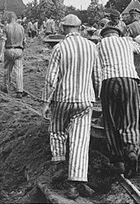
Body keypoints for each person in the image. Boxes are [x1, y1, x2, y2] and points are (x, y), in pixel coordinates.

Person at [42, 14, 101, 199]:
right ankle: (75, 185)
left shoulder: (59, 48)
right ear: (80, 27)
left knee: (57, 130)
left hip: (62, 99)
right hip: (84, 100)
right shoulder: (92, 47)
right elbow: (98, 75)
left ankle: (59, 164)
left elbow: (51, 79)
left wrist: (45, 102)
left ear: (63, 28)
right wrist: (97, 96)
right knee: (80, 141)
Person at [97, 26, 140, 179]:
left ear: (104, 36)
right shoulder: (127, 42)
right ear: (118, 34)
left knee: (110, 120)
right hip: (129, 80)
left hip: (108, 80)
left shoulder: (100, 44)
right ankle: (130, 149)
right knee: (131, 117)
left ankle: (117, 160)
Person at [0, 12, 27, 98]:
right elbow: (24, 41)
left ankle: (5, 86)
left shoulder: (6, 27)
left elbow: (3, 41)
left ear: (10, 19)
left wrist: (0, 54)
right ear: (15, 18)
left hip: (9, 49)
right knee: (19, 71)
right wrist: (23, 50)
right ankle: (19, 90)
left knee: (7, 69)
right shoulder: (21, 28)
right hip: (19, 50)